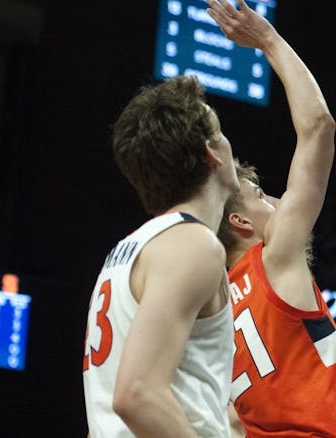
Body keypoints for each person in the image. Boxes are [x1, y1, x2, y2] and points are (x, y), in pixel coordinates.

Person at [209, 0, 336, 438]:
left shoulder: (208, 310)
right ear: (240, 223)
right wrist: (268, 39)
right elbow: (319, 126)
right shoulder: (273, 257)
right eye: (262, 195)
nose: (279, 200)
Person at [82, 74, 237, 437]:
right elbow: (137, 393)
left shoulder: (128, 251)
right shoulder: (193, 245)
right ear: (211, 152)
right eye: (221, 132)